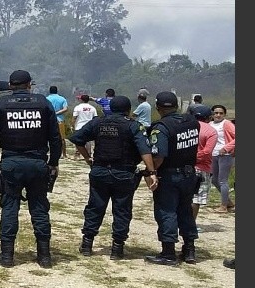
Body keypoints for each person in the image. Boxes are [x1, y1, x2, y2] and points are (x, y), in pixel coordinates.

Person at [0, 70, 61, 268]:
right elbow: (55, 137)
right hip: (37, 163)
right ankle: (44, 257)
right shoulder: (43, 102)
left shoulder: (2, 104)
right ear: (29, 85)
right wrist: (53, 162)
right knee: (40, 207)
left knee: (9, 207)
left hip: (11, 163)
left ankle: (7, 256)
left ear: (10, 85)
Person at [68, 95, 158, 260]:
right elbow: (145, 150)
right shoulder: (133, 126)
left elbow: (76, 138)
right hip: (124, 173)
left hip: (100, 171)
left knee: (95, 207)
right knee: (122, 210)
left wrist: (88, 158)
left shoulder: (98, 123)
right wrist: (151, 172)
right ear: (128, 110)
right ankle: (117, 248)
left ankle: (87, 243)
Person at [144, 91, 201, 266]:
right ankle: (189, 250)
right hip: (190, 174)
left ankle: (168, 252)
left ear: (158, 107)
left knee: (166, 211)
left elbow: (159, 156)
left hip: (170, 175)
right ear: (176, 105)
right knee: (185, 211)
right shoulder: (192, 122)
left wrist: (150, 171)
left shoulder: (161, 127)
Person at [190, 105, 217, 227]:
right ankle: (190, 224)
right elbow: (207, 152)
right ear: (209, 118)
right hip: (202, 168)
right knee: (197, 198)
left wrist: (186, 158)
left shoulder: (186, 127)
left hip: (184, 166)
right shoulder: (211, 131)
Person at [209, 104, 235, 213]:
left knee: (222, 180)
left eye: (221, 113)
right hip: (213, 154)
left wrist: (226, 148)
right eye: (216, 113)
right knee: (214, 180)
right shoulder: (210, 124)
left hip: (225, 155)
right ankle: (229, 202)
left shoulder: (227, 124)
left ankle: (224, 206)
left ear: (224, 114)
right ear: (212, 114)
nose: (218, 115)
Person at [45, 85, 69, 160]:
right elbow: (65, 109)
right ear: (57, 91)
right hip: (60, 120)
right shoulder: (62, 99)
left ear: (49, 91)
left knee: (46, 137)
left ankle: (47, 152)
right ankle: (64, 154)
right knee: (62, 138)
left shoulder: (46, 99)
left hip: (47, 120)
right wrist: (57, 113)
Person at [71, 94, 98, 160]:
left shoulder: (78, 107)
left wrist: (72, 125)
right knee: (88, 141)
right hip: (89, 126)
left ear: (81, 99)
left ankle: (77, 154)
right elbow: (95, 118)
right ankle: (88, 154)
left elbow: (74, 117)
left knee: (78, 141)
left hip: (79, 126)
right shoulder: (92, 108)